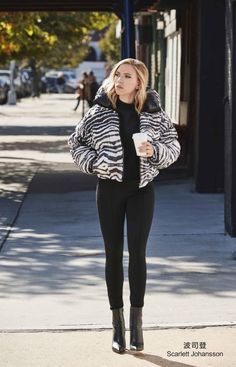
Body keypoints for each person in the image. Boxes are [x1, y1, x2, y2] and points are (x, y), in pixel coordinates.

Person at [68, 58, 181, 354]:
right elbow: (75, 143)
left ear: (138, 82)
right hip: (109, 190)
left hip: (142, 190)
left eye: (126, 76)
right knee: (113, 255)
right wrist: (94, 163)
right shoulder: (99, 112)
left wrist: (155, 150)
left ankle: (137, 323)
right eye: (117, 74)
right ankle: (117, 325)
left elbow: (173, 144)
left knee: (138, 255)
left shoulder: (154, 113)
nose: (118, 80)